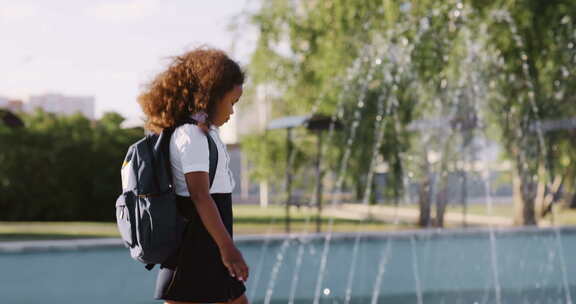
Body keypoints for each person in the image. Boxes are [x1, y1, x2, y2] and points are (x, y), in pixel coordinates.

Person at [138, 47, 250, 304]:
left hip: (211, 239)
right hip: (198, 243)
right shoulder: (192, 136)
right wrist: (227, 248)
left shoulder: (203, 133)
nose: (232, 112)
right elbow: (200, 195)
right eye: (231, 103)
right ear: (212, 95)